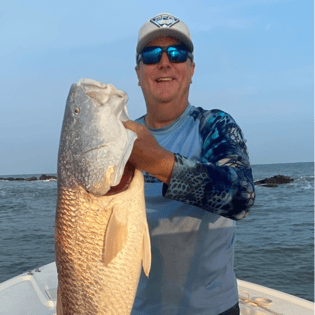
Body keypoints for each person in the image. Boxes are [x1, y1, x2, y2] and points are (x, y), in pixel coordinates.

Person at [122, 13, 255, 315]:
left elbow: (241, 196)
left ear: (191, 69)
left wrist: (159, 162)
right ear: (139, 72)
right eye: (152, 54)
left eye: (178, 54)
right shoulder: (120, 139)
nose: (165, 62)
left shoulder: (213, 125)